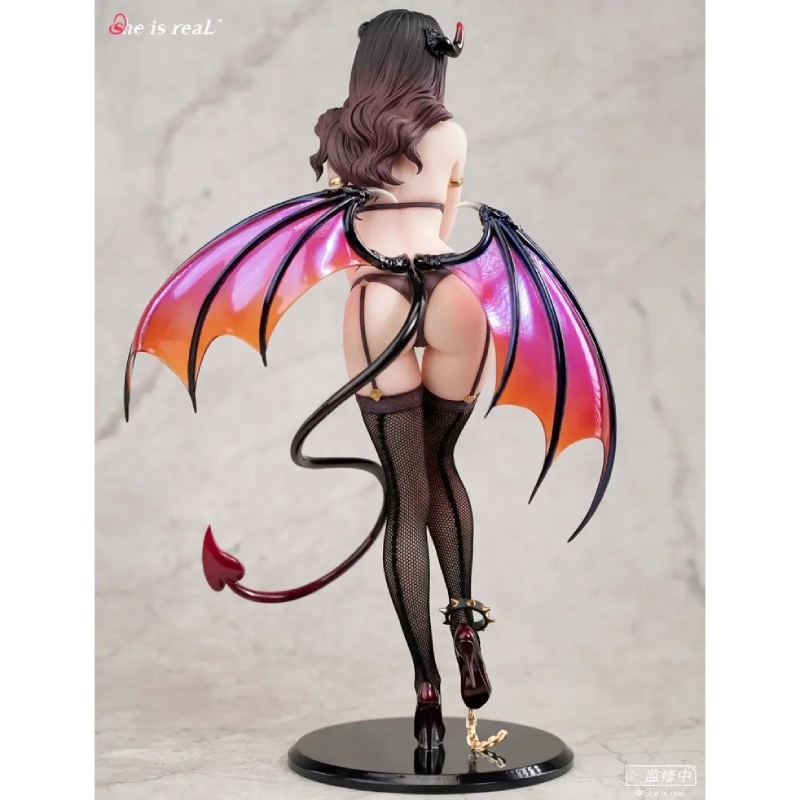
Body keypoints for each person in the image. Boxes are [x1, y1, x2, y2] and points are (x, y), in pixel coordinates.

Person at [125, 8, 616, 755]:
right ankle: (465, 622)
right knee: (443, 467)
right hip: (454, 296)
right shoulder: (450, 133)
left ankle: (426, 683)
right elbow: (443, 226)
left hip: (377, 302)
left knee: (405, 492)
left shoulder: (339, 135)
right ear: (429, 65)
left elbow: (336, 233)